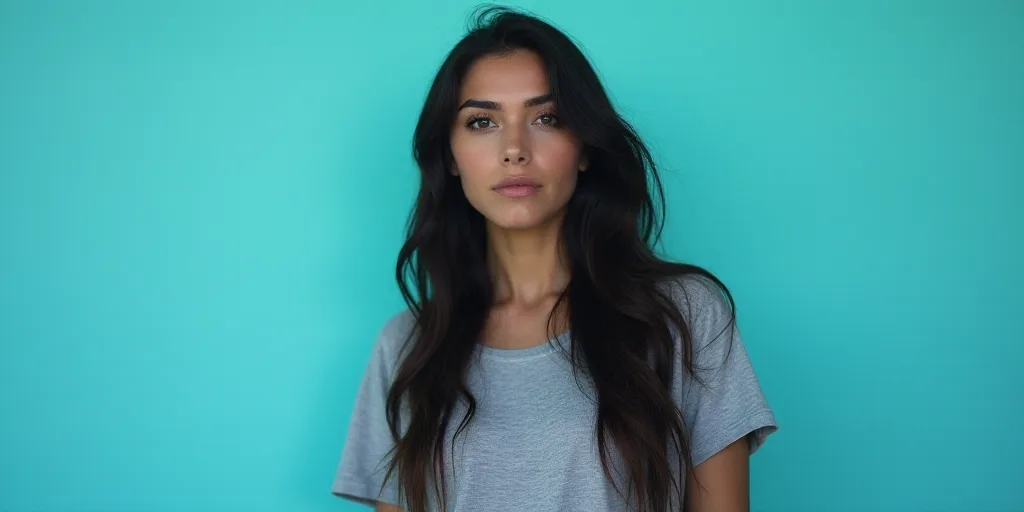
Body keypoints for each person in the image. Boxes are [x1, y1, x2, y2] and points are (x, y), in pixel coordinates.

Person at [331, 6, 776, 512]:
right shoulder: (407, 346)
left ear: (583, 146)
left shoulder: (683, 317)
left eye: (547, 118)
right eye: (482, 121)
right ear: (451, 157)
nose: (514, 149)